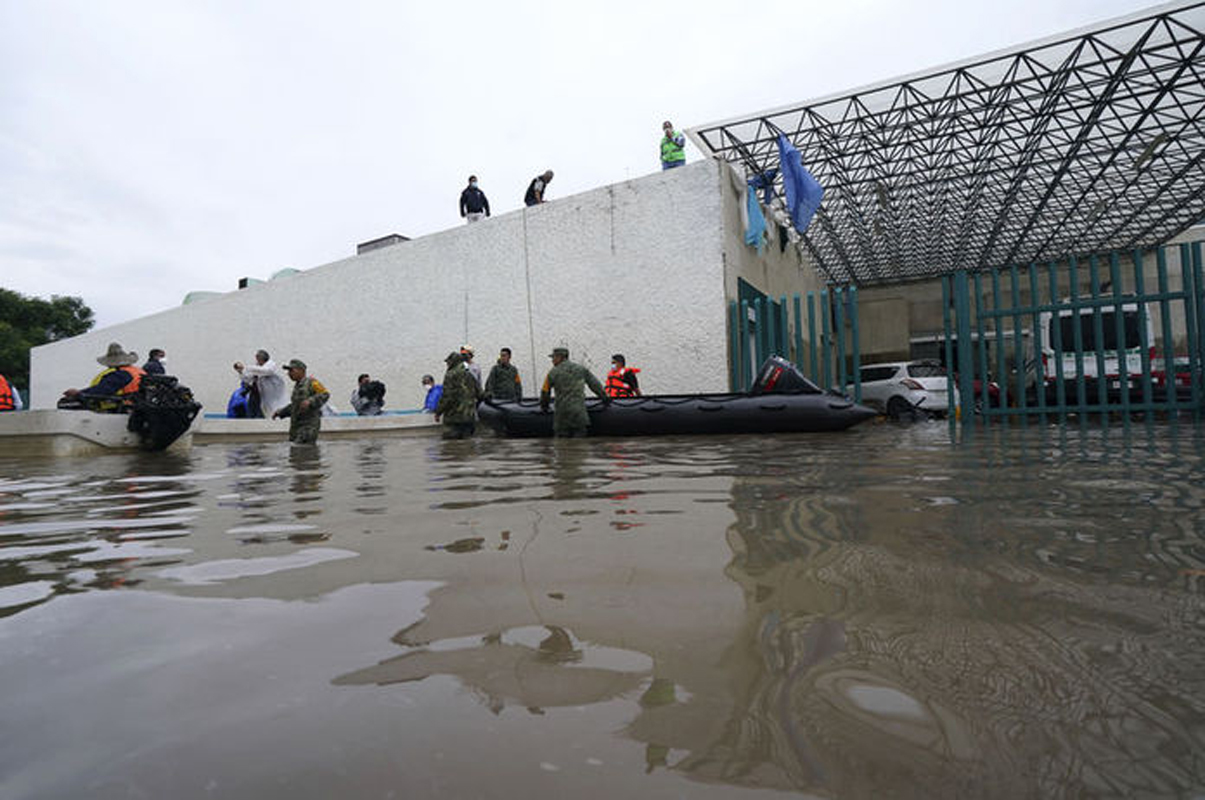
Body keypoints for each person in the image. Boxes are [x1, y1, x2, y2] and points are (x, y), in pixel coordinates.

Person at [540, 346, 607, 438]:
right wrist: (604, 398)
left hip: (562, 417)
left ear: (560, 357)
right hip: (578, 414)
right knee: (580, 447)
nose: (552, 361)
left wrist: (544, 406)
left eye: (554, 358)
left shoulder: (552, 372)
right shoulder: (581, 369)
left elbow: (545, 392)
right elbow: (595, 385)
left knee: (562, 447)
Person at [60, 342, 146, 412]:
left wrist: (78, 393)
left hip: (123, 410)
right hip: (139, 408)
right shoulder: (139, 371)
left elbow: (101, 390)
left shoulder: (120, 374)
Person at [272, 358, 330, 443]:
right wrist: (280, 412)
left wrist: (310, 401)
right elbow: (295, 406)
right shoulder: (297, 387)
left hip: (308, 427)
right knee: (296, 451)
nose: (289, 374)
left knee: (303, 451)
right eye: (288, 371)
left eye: (291, 370)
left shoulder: (312, 383)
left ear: (301, 370)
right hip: (296, 427)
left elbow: (325, 394)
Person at [435, 351, 482, 439]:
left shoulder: (450, 375)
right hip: (469, 417)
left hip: (454, 418)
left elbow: (447, 397)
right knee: (468, 446)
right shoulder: (469, 374)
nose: (447, 365)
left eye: (448, 362)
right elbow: (479, 393)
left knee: (450, 447)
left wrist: (438, 412)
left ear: (453, 362)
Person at [234, 349, 288, 419]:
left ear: (261, 358)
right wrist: (241, 371)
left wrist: (247, 368)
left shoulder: (271, 364)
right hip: (260, 395)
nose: (256, 361)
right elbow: (248, 379)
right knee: (257, 413)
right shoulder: (258, 367)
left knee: (275, 411)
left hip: (275, 395)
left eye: (257, 359)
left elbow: (267, 371)